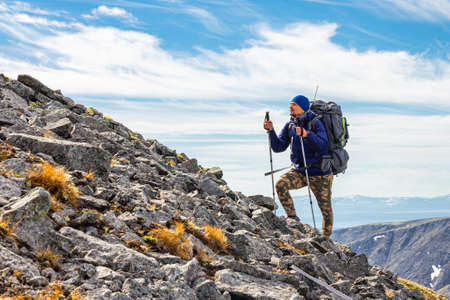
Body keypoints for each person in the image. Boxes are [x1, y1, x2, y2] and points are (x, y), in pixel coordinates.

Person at [263, 95, 334, 237]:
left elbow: (323, 145)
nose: (290, 107)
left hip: (320, 173)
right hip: (300, 171)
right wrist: (271, 131)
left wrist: (307, 134)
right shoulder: (290, 125)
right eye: (290, 104)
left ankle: (325, 239)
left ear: (302, 107)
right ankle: (293, 219)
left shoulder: (315, 123)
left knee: (325, 210)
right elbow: (278, 147)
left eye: (294, 104)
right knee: (280, 185)